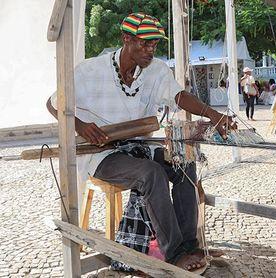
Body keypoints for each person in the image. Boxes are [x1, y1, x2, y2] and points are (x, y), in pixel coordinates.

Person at [46, 13, 235, 273]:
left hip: (140, 147)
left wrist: (213, 114)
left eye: (155, 44)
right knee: (151, 173)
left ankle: (189, 245)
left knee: (183, 163)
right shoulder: (91, 70)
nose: (150, 50)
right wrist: (81, 126)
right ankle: (174, 254)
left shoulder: (155, 70)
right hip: (102, 153)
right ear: (126, 39)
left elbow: (178, 95)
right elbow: (53, 103)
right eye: (144, 44)